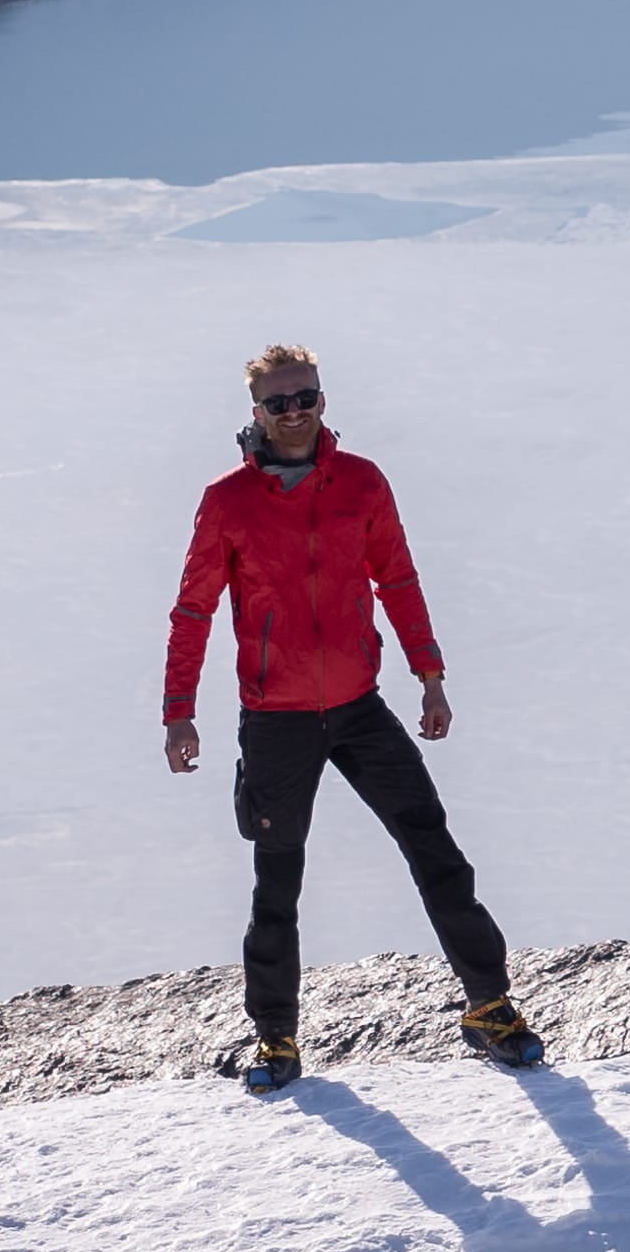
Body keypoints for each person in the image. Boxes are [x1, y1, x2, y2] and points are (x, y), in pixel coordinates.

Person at [163, 344, 543, 1094]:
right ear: (255, 413)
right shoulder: (228, 500)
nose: (295, 411)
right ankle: (276, 1039)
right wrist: (179, 713)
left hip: (359, 708)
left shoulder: (361, 481)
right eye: (278, 402)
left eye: (305, 396)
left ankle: (489, 1008)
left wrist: (429, 676)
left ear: (322, 399)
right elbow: (194, 608)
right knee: (277, 882)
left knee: (436, 852)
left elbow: (395, 576)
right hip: (274, 719)